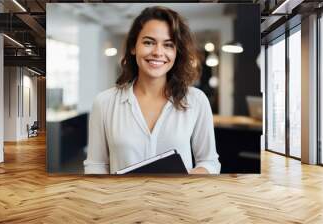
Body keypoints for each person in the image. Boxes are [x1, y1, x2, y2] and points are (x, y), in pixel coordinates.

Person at [83, 6, 221, 174]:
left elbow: (209, 162)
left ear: (177, 52)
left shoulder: (196, 100)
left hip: (177, 199)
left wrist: (190, 177)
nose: (158, 52)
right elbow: (95, 166)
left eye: (168, 45)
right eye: (148, 42)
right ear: (133, 47)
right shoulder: (104, 102)